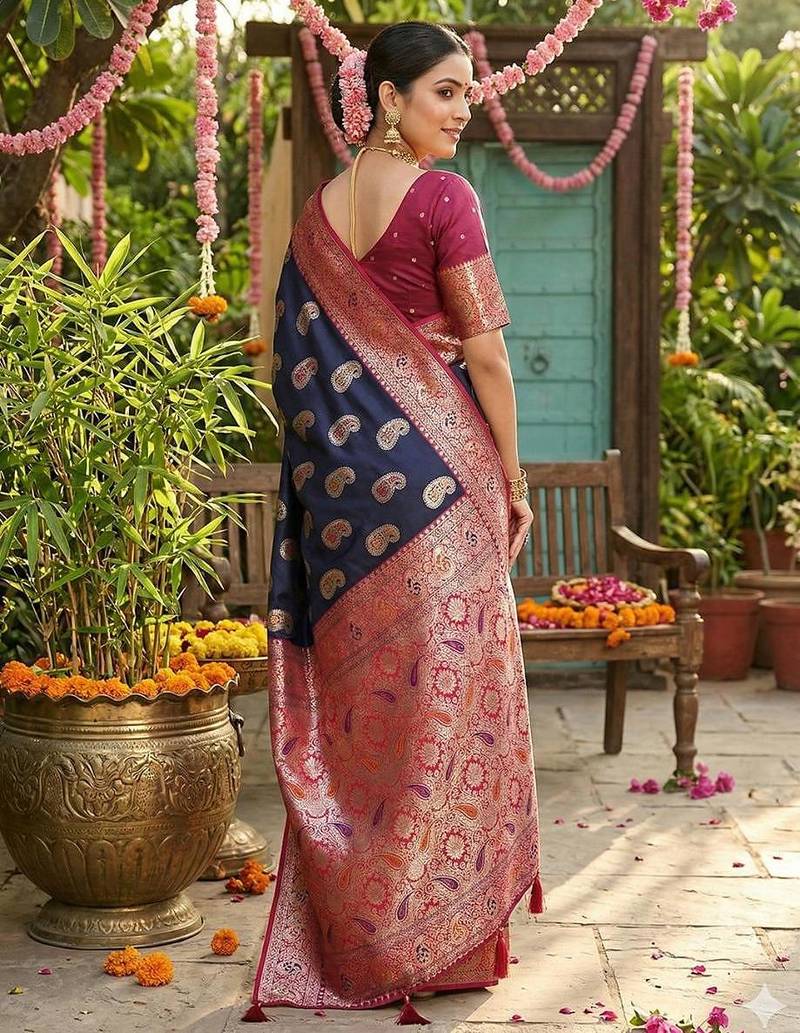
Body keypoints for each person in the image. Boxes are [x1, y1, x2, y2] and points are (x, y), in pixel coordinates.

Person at [247, 20, 542, 1025]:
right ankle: (438, 945)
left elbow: (292, 373)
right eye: (445, 92)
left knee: (370, 722)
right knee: (446, 716)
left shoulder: (317, 218)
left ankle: (369, 933)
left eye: (467, 93)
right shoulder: (444, 199)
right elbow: (486, 352)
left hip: (346, 513)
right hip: (442, 490)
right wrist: (511, 477)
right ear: (387, 96)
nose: (462, 111)